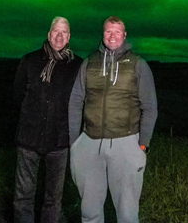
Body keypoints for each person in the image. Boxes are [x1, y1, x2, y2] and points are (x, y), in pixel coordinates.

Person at [68, 16, 158, 223]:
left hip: (126, 142)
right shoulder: (89, 63)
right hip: (89, 143)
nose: (113, 35)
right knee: (89, 210)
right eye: (108, 31)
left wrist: (143, 144)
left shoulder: (138, 64)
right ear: (103, 34)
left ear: (125, 35)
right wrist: (75, 141)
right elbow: (75, 101)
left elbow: (150, 107)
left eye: (117, 31)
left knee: (127, 212)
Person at [13, 16, 83, 223]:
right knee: (23, 196)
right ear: (48, 34)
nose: (59, 36)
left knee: (53, 198)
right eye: (55, 31)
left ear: (69, 37)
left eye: (64, 32)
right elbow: (17, 96)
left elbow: (83, 101)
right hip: (28, 138)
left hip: (60, 141)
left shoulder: (78, 66)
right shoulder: (29, 61)